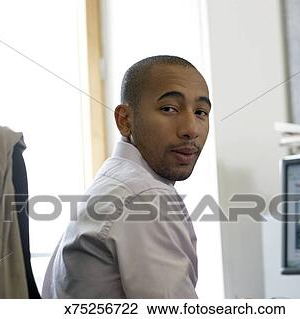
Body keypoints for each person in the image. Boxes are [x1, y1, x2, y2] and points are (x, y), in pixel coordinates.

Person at [42, 55, 211, 298]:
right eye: (169, 109)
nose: (191, 129)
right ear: (125, 120)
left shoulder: (115, 179)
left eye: (201, 112)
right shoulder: (144, 196)